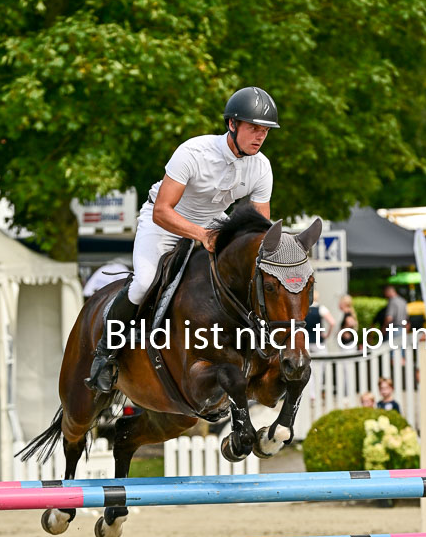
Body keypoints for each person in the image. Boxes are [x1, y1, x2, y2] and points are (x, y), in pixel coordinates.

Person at [85, 87, 280, 393]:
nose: (259, 136)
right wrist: (201, 234)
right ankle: (105, 355)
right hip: (163, 222)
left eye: (265, 131)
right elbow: (163, 211)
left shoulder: (261, 167)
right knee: (144, 282)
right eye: (253, 128)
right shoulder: (193, 153)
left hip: (214, 224)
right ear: (232, 124)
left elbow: (259, 228)